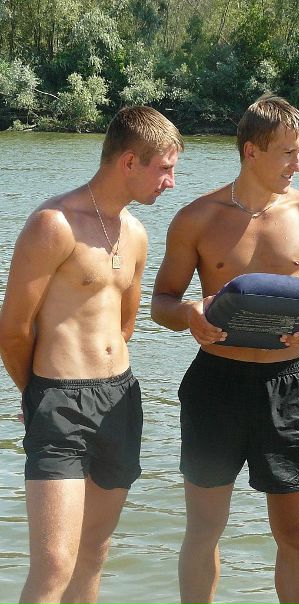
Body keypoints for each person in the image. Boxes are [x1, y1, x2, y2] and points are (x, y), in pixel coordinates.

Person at [151, 93, 299, 604]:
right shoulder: (197, 217)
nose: (297, 165)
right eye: (287, 153)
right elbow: (161, 302)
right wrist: (190, 314)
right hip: (215, 383)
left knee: (295, 535)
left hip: (288, 388)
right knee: (203, 530)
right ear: (251, 151)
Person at [0, 105, 183, 604]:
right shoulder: (53, 224)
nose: (170, 182)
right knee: (53, 567)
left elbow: (125, 325)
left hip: (120, 399)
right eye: (164, 169)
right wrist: (38, 397)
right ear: (129, 162)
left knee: (92, 555)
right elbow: (12, 330)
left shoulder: (136, 233)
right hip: (59, 400)